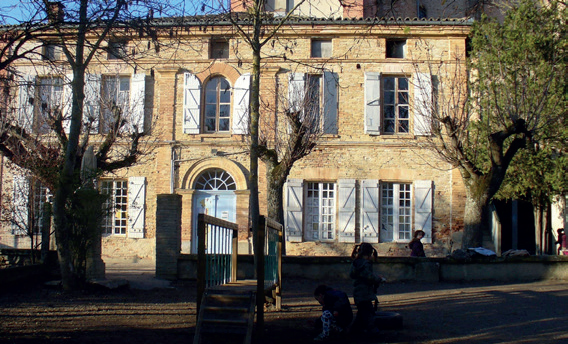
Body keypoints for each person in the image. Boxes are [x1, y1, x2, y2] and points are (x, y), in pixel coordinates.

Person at [349, 243, 385, 337]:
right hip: (365, 291)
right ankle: (373, 332)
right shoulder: (366, 264)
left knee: (362, 312)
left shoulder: (356, 262)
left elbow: (353, 275)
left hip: (358, 291)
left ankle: (354, 331)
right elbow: (369, 276)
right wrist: (378, 279)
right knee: (368, 312)